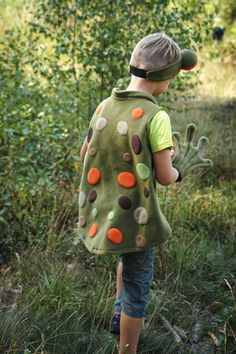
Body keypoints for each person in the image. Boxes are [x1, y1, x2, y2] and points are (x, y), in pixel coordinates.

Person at [78, 33, 208, 354]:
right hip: (137, 220)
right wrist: (180, 171)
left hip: (108, 213)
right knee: (138, 288)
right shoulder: (156, 116)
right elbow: (165, 177)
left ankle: (117, 314)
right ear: (165, 78)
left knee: (127, 262)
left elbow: (86, 155)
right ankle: (127, 349)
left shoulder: (105, 106)